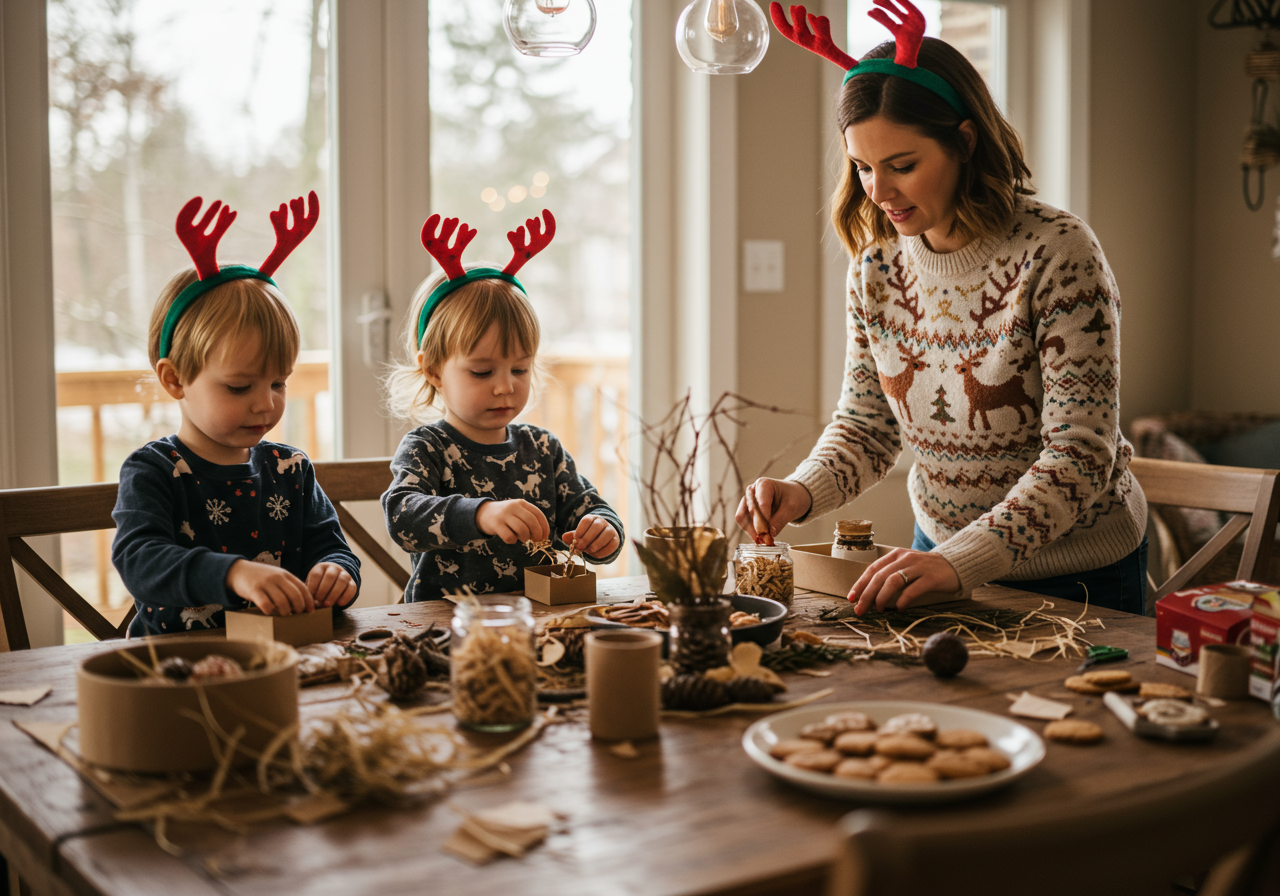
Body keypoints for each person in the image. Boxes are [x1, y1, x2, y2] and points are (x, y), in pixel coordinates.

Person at [737, 1, 1148, 615]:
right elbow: (867, 428)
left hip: (1077, 573)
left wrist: (963, 561)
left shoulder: (1058, 252)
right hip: (936, 556)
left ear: (964, 141)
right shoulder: (877, 266)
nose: (878, 192)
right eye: (863, 167)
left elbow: (1080, 456)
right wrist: (800, 491)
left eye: (902, 165)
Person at [112, 193, 360, 636]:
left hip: (283, 662)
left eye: (278, 383)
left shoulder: (291, 468)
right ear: (175, 380)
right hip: (176, 672)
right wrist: (234, 572)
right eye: (239, 386)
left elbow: (331, 547)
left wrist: (337, 572)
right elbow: (139, 561)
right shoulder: (154, 471)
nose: (266, 404)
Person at [381, 210, 624, 601]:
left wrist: (602, 530)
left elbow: (589, 508)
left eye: (520, 368)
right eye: (481, 372)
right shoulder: (427, 448)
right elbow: (402, 517)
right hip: (450, 628)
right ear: (434, 371)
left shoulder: (543, 450)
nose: (505, 387)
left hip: (543, 622)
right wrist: (481, 514)